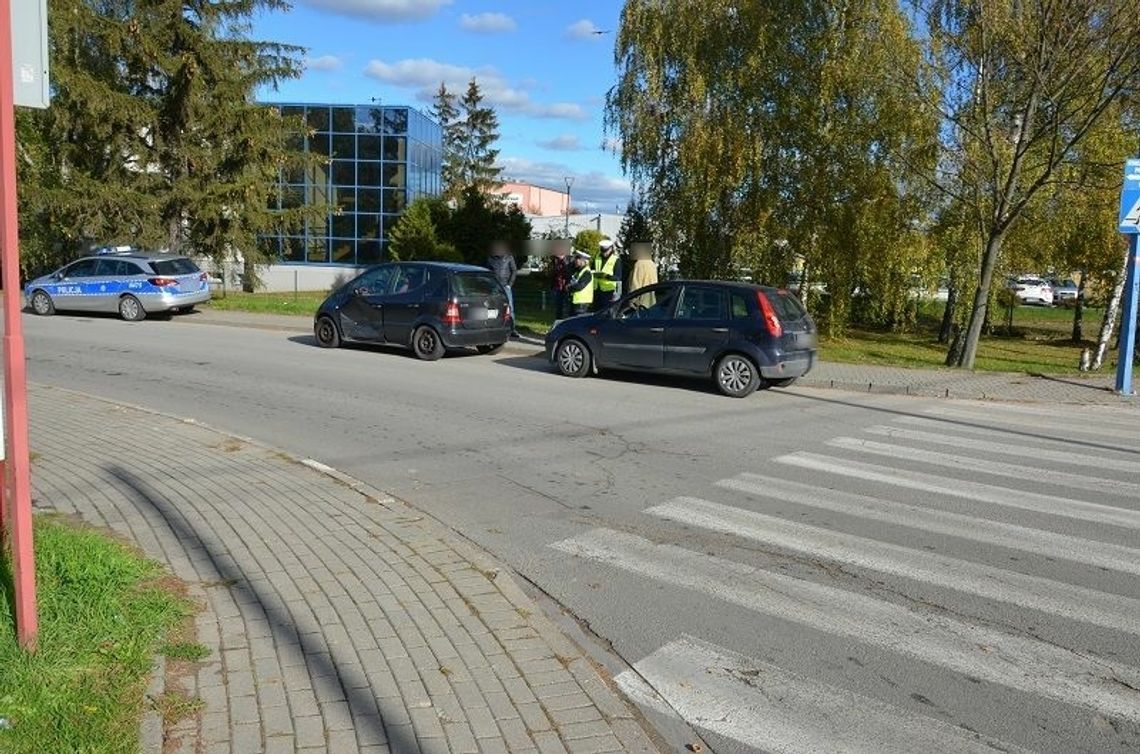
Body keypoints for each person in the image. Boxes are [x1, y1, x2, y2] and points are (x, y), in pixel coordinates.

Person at [486, 242, 518, 335]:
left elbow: (514, 270)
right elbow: (488, 272)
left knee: (510, 307)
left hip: (505, 285)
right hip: (494, 286)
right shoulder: (490, 259)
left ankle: (512, 328)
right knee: (492, 306)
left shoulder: (509, 257)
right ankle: (492, 326)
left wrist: (509, 284)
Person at [591, 238, 622, 311]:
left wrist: (606, 276)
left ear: (611, 249)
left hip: (609, 291)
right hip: (597, 291)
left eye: (606, 251)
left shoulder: (616, 260)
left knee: (607, 313)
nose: (604, 253)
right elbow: (592, 269)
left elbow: (618, 277)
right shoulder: (597, 258)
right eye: (602, 251)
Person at [627, 242, 659, 309]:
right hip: (651, 300)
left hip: (640, 302)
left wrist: (631, 301)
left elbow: (635, 285)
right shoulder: (653, 265)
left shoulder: (639, 264)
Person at [550, 239, 572, 320]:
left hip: (566, 287)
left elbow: (569, 274)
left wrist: (563, 261)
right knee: (558, 308)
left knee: (566, 308)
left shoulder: (569, 260)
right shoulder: (555, 260)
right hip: (557, 287)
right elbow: (554, 274)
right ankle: (558, 323)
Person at [567, 251, 594, 315]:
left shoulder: (587, 272)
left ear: (583, 261)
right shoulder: (578, 272)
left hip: (582, 304)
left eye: (577, 259)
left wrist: (569, 287)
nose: (575, 261)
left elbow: (580, 286)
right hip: (576, 302)